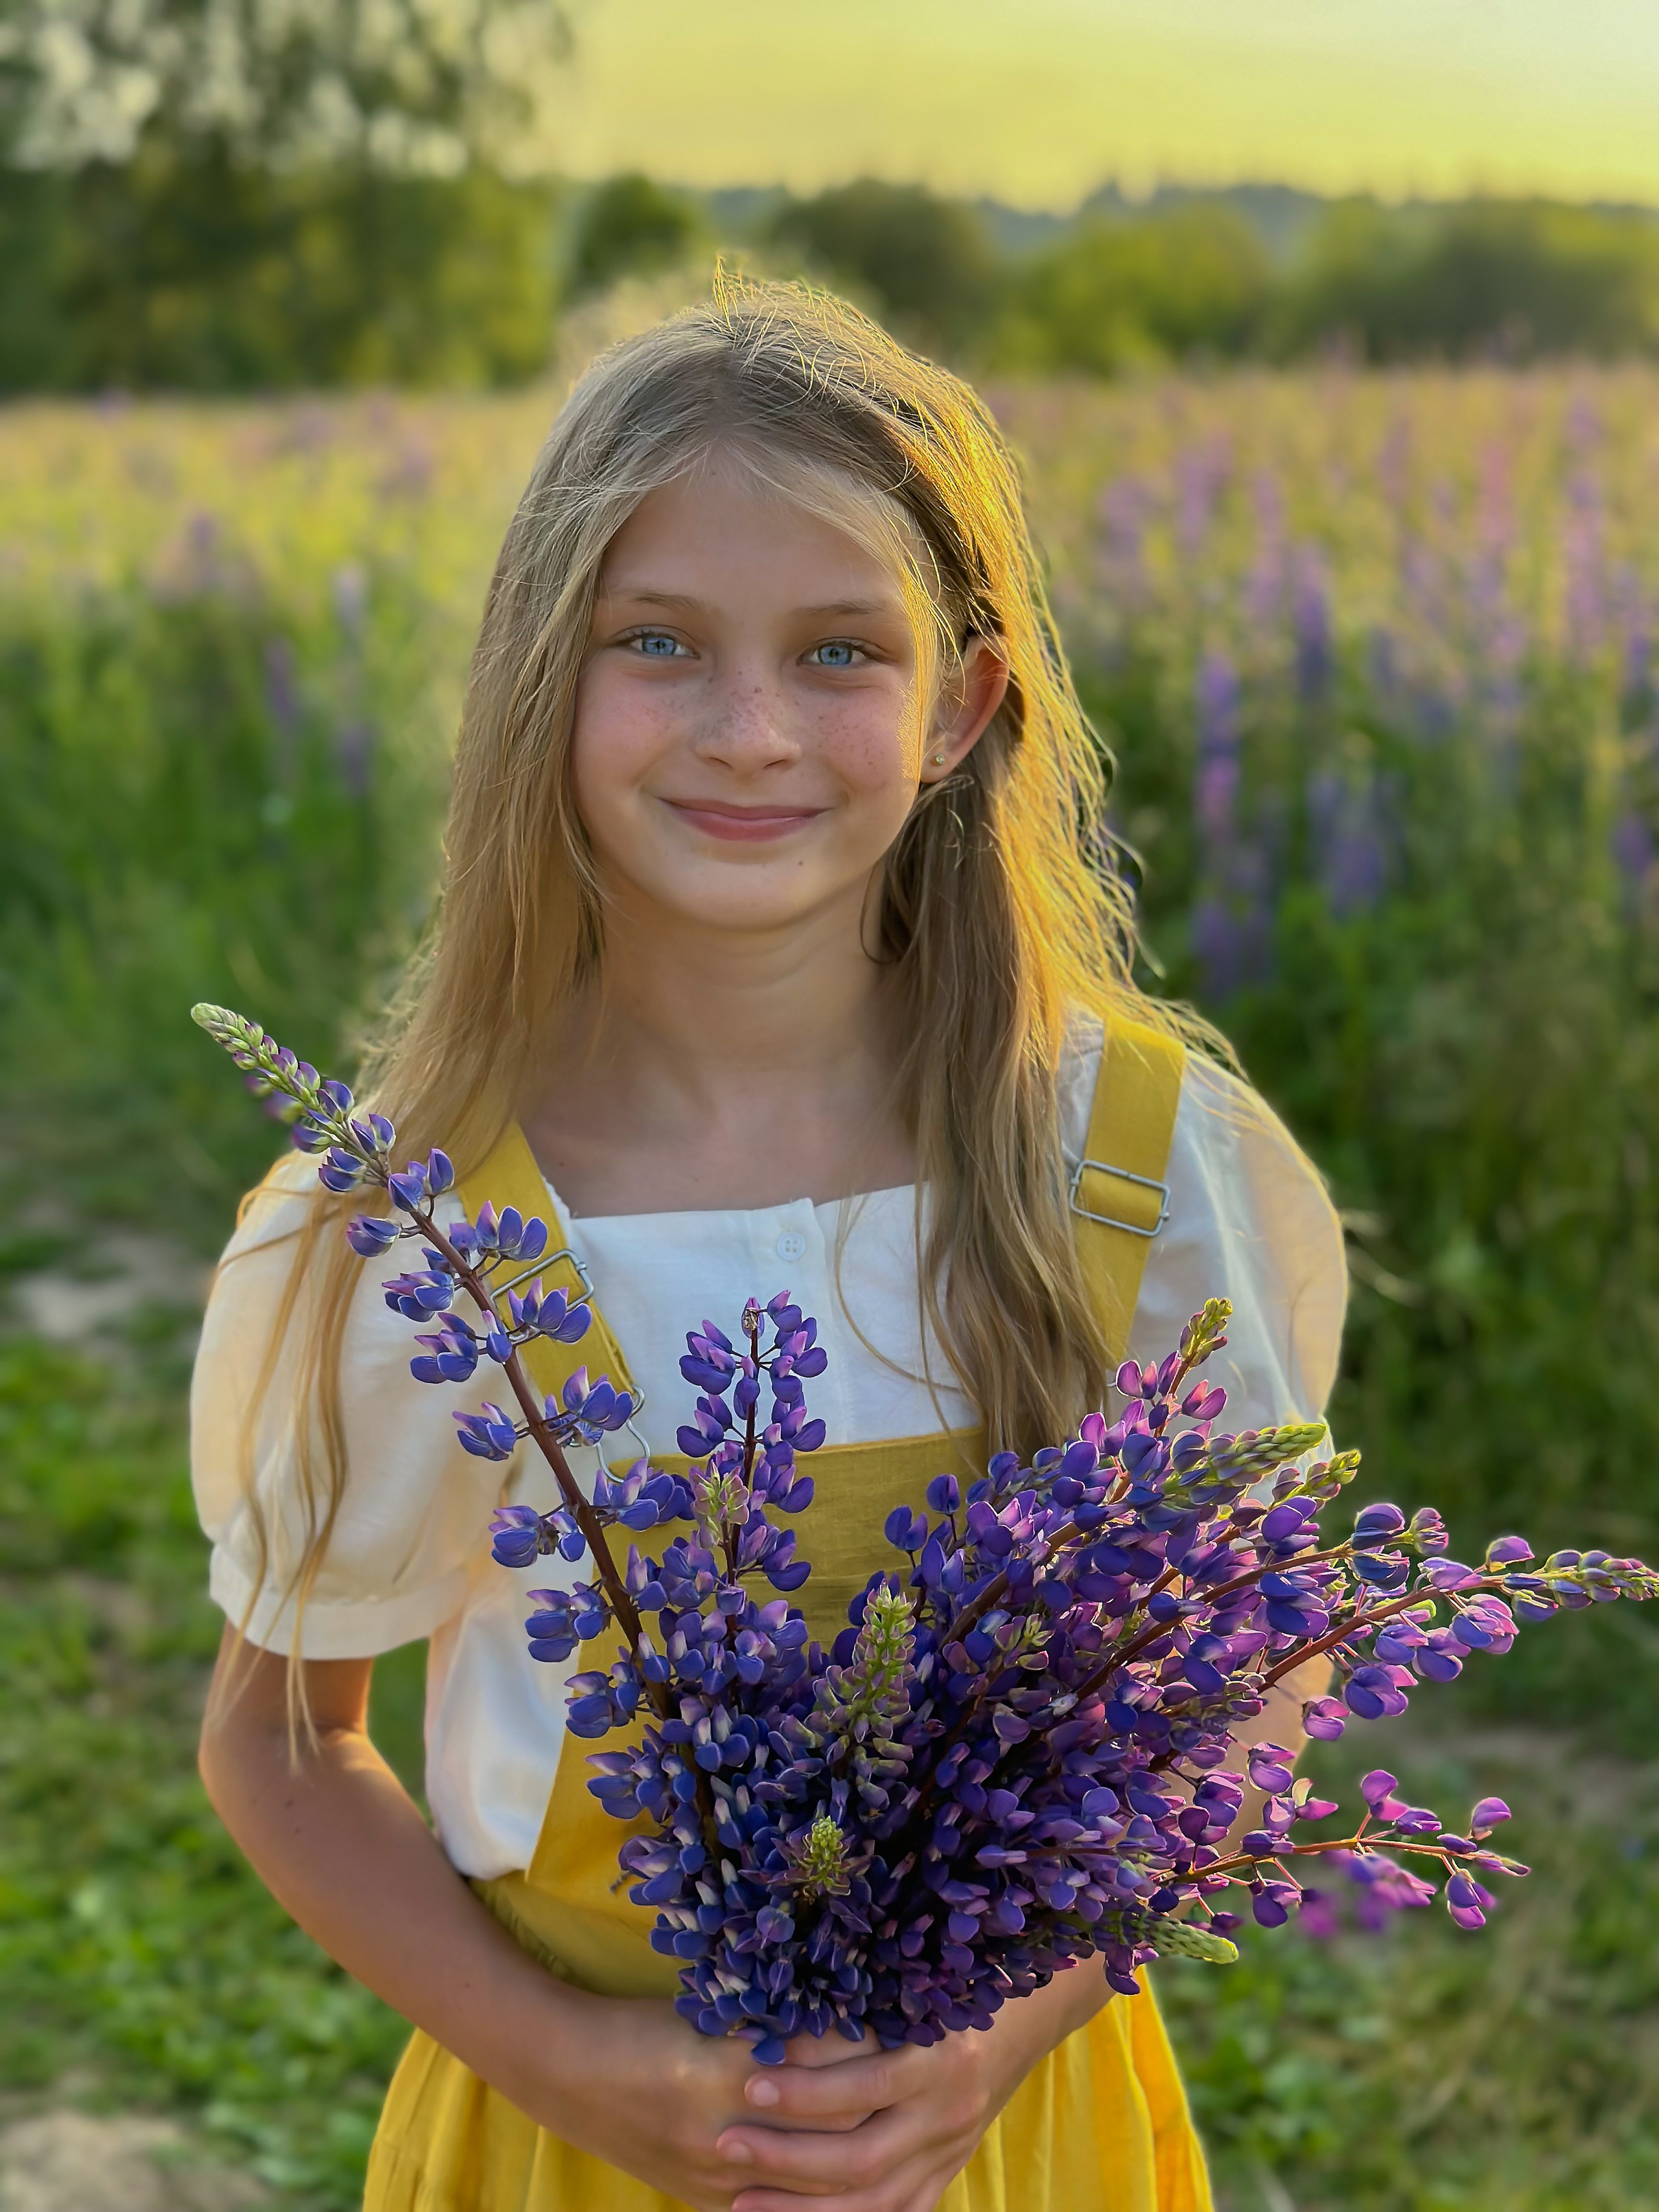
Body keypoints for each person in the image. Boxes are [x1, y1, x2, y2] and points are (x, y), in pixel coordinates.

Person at [191, 278, 1346, 2212]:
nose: (751, 732)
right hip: (580, 2141)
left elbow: (1260, 1655)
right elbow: (280, 1742)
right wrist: (588, 2071)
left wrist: (1011, 2028)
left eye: (838, 652)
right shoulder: (419, 1230)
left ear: (963, 704)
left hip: (998, 2130)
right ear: (545, 677)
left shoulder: (1124, 1156)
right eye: (661, 643)